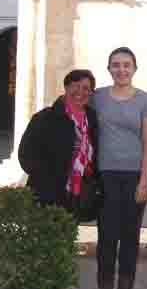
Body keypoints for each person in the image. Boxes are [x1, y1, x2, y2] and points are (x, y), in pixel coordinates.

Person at [91, 47, 147, 289]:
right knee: (106, 237)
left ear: (134, 68)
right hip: (105, 176)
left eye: (126, 65)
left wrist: (144, 180)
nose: (121, 69)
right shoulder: (97, 98)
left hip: (133, 177)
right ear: (109, 69)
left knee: (129, 238)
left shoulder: (145, 100)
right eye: (116, 65)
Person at [18, 69, 99, 213]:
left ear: (91, 93)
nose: (80, 91)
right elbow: (25, 154)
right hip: (47, 194)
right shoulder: (45, 118)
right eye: (75, 86)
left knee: (69, 233)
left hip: (77, 194)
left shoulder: (92, 120)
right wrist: (46, 178)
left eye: (86, 88)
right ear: (66, 87)